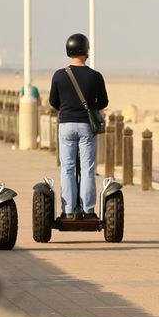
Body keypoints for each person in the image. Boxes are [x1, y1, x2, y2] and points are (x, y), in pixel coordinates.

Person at [47, 34, 109, 220]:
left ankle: (68, 210)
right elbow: (104, 102)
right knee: (88, 168)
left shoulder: (59, 75)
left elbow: (53, 101)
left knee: (67, 168)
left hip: (66, 124)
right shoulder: (95, 76)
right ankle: (88, 210)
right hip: (86, 126)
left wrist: (67, 109)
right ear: (86, 50)